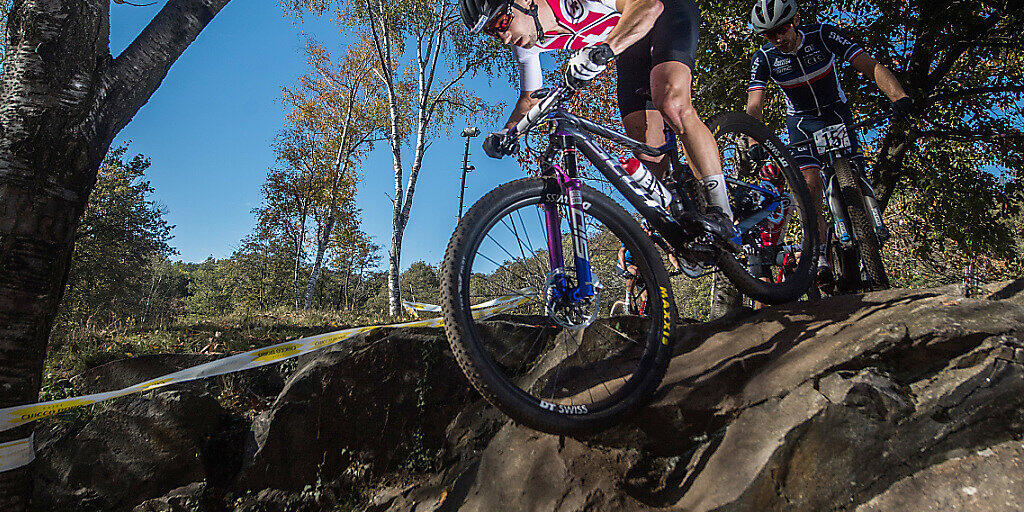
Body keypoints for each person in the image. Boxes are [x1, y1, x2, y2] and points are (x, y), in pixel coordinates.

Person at [458, 0, 736, 239]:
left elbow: (649, 6)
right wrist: (509, 132)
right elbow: (530, 98)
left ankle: (722, 212)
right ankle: (682, 228)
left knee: (671, 102)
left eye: (502, 22)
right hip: (628, 44)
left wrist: (605, 50)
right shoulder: (527, 42)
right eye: (493, 33)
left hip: (662, 12)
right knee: (646, 153)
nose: (504, 37)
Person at [744, 0, 913, 282]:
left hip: (836, 113)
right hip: (801, 123)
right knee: (810, 188)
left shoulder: (823, 35)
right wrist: (753, 143)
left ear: (796, 20)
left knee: (856, 178)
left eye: (782, 29)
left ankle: (867, 244)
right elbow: (754, 105)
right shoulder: (764, 58)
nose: (778, 39)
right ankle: (819, 253)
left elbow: (869, 66)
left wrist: (899, 97)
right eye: (769, 34)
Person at [617, 221, 681, 312]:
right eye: (648, 230)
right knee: (635, 272)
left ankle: (643, 315)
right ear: (642, 228)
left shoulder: (655, 238)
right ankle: (628, 300)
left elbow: (669, 252)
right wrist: (624, 270)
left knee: (647, 295)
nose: (650, 233)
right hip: (626, 262)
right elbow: (621, 252)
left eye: (652, 231)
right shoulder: (633, 235)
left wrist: (677, 267)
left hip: (641, 267)